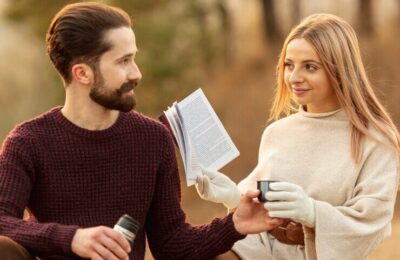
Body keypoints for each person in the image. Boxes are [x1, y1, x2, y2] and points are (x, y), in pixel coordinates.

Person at [0, 2, 283, 260]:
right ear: (82, 73)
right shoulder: (28, 142)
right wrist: (72, 238)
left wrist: (234, 225)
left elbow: (172, 244)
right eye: (123, 61)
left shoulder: (153, 139)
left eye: (133, 58)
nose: (136, 73)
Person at [196, 13, 400, 259]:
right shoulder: (276, 132)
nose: (293, 77)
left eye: (310, 67)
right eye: (289, 65)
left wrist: (314, 214)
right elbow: (262, 209)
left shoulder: (376, 140)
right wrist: (233, 196)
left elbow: (371, 223)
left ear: (340, 70)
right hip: (261, 250)